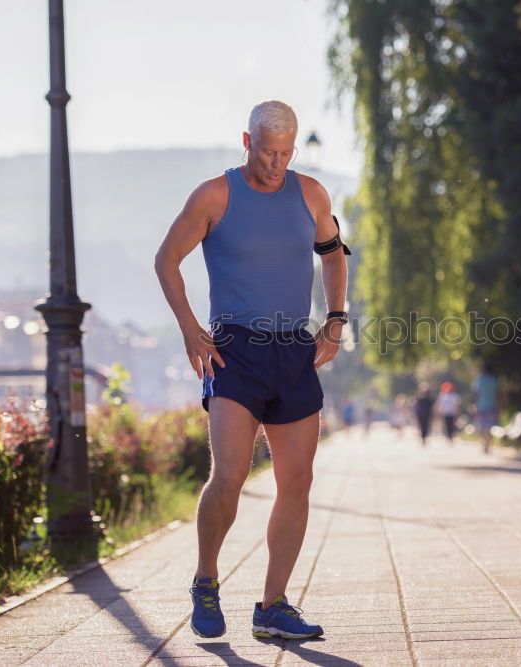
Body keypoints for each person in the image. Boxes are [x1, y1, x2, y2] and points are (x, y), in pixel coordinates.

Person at [154, 100, 350, 640]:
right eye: (268, 152)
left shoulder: (311, 194)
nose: (277, 164)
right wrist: (190, 326)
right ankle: (206, 579)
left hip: (293, 350)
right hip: (234, 351)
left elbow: (333, 254)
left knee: (298, 480)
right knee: (231, 476)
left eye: (286, 153)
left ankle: (273, 606)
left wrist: (335, 319)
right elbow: (167, 258)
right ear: (247, 141)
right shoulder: (215, 195)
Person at [472, 363, 500, 454]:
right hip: (492, 406)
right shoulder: (494, 380)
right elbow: (498, 394)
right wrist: (499, 406)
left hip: (481, 406)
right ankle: (487, 443)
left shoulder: (479, 380)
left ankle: (485, 443)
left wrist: (475, 405)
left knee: (482, 426)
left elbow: (476, 394)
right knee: (490, 426)